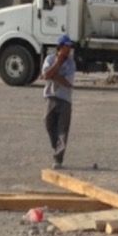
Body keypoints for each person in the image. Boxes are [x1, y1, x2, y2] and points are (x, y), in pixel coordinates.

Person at [41, 34, 76, 165]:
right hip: (50, 96)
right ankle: (56, 146)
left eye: (69, 47)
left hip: (65, 100)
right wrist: (58, 63)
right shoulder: (50, 59)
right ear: (60, 47)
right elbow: (46, 75)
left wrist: (52, 75)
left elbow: (68, 83)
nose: (69, 50)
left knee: (63, 129)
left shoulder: (71, 63)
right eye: (66, 47)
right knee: (48, 123)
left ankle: (58, 158)